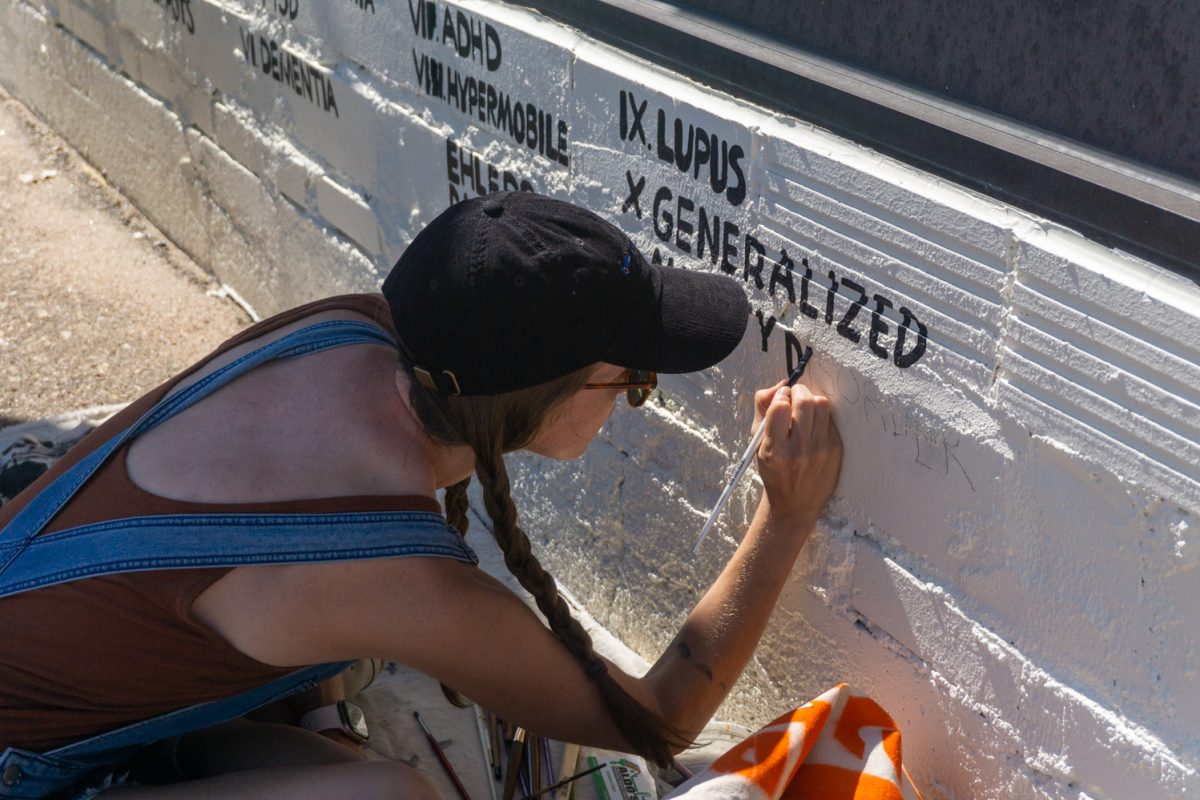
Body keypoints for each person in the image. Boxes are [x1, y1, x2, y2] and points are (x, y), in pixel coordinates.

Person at [0, 192, 842, 799]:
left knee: (343, 666)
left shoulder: (348, 326)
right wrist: (787, 513)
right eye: (633, 381)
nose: (635, 394)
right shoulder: (396, 570)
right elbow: (659, 715)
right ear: (543, 395)